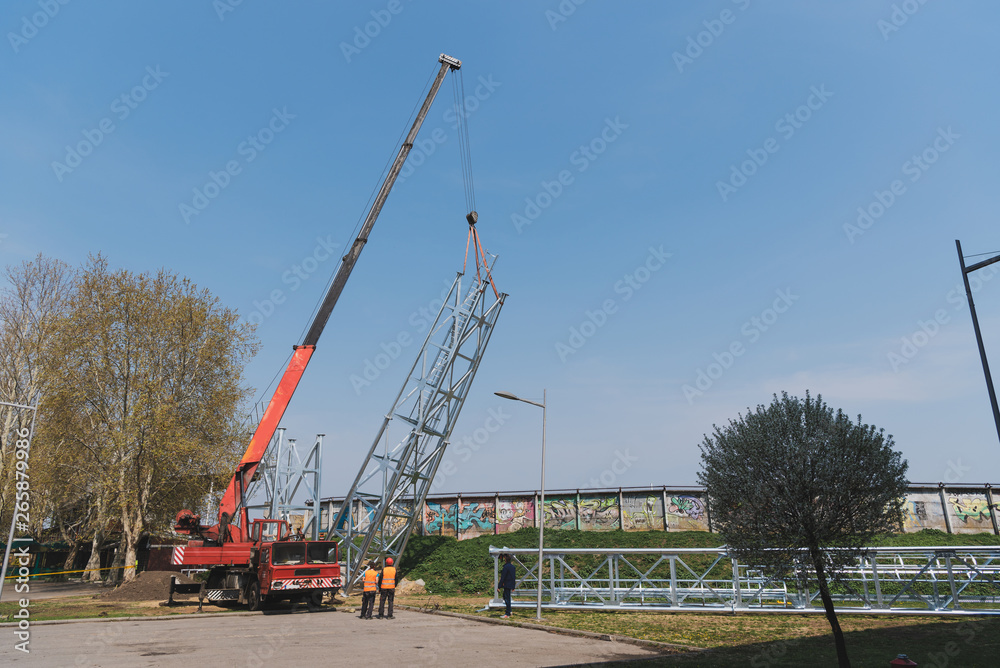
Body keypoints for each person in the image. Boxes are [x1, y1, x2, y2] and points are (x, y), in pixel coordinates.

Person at [498, 553, 516, 618]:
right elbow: (514, 577)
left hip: (506, 585)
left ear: (505, 559)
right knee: (507, 598)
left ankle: (507, 613)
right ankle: (509, 611)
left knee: (506, 598)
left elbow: (503, 577)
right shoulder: (512, 567)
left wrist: (499, 586)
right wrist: (513, 586)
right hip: (510, 585)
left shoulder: (505, 567)